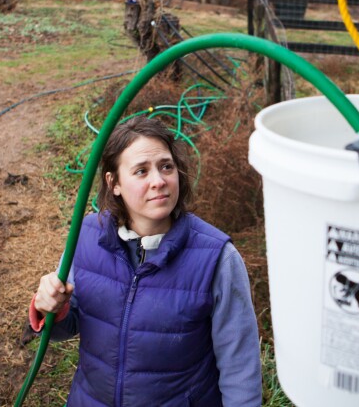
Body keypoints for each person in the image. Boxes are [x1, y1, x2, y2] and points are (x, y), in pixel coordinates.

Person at [29, 116, 262, 406]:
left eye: (166, 166)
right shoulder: (85, 238)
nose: (159, 181)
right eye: (141, 171)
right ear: (114, 183)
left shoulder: (217, 258)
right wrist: (53, 308)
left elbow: (239, 365)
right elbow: (65, 327)